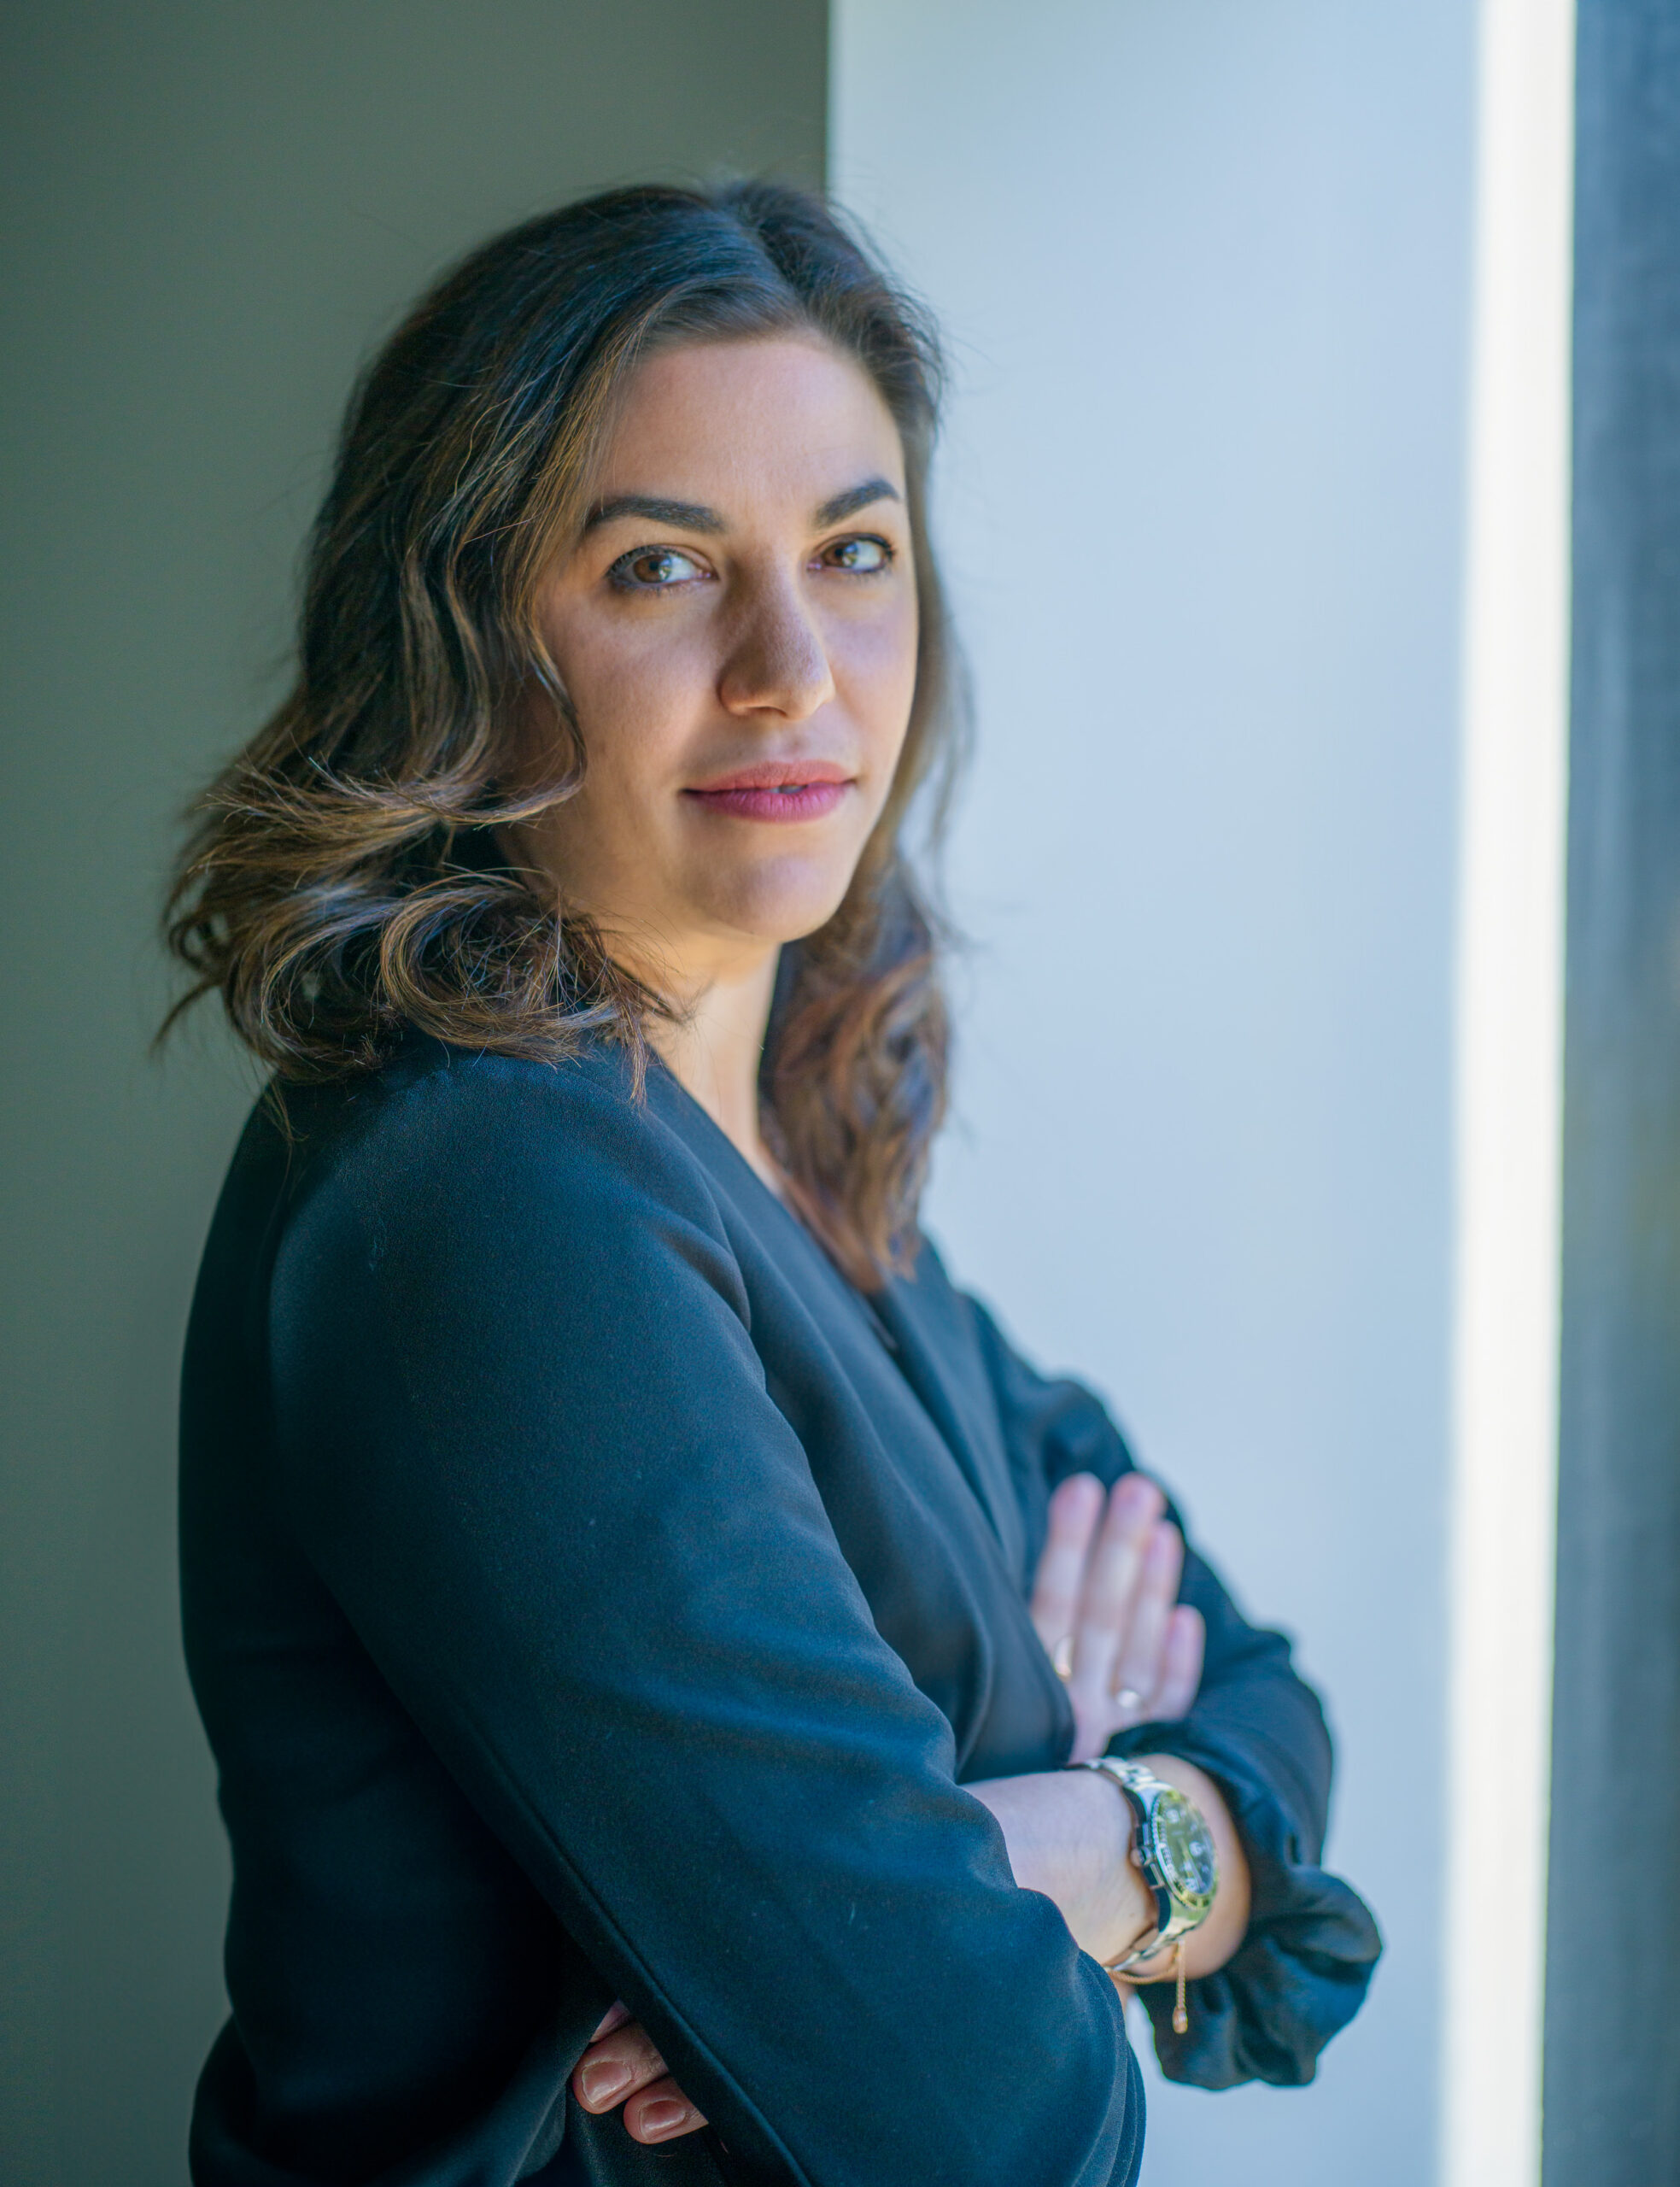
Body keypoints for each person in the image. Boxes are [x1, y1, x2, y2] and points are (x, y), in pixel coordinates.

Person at [167, 181, 1379, 2187]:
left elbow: (1265, 1687)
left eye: (856, 550)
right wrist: (1110, 1829)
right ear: (464, 627)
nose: (792, 664)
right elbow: (990, 2116)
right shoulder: (493, 1198)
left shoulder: (778, 1163)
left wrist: (1054, 1838)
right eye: (660, 566)